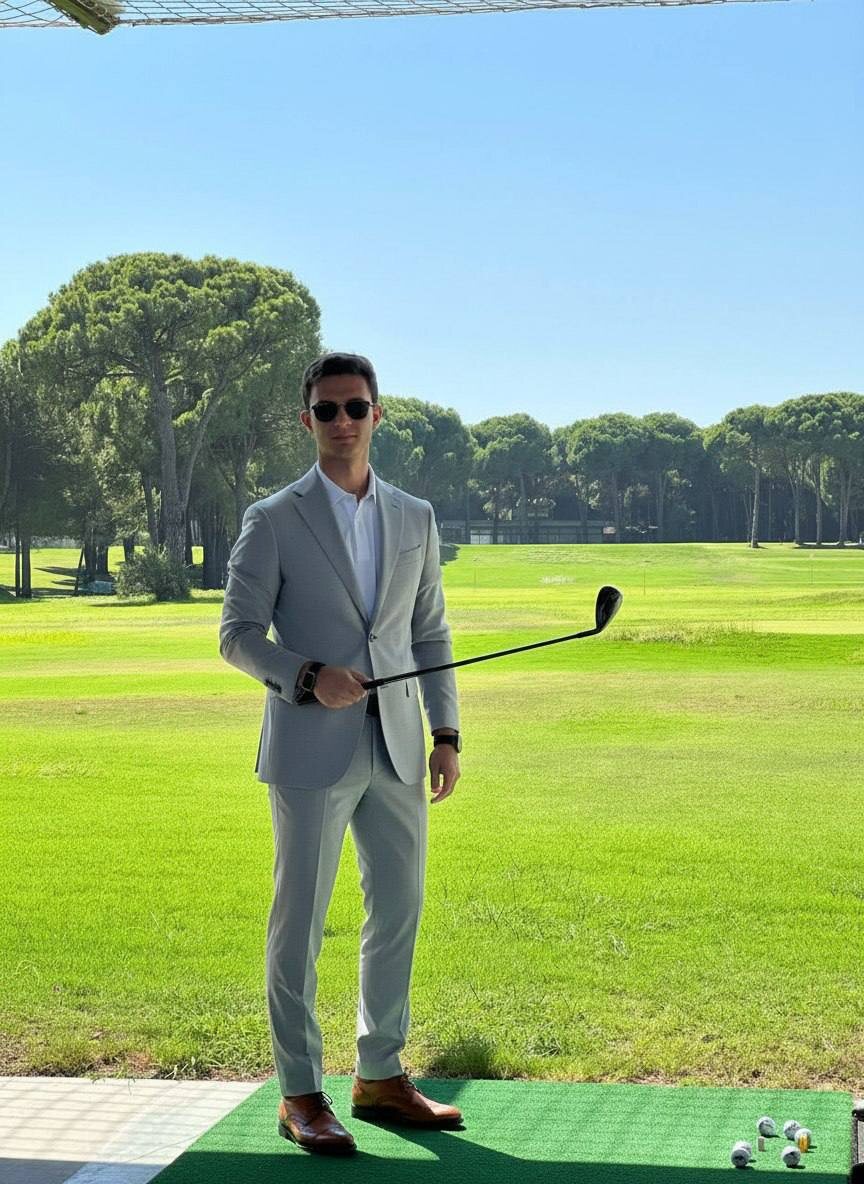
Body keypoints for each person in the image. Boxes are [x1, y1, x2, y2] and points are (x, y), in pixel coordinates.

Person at [219, 351, 463, 1156]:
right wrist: (308, 676)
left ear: (377, 415)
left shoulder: (416, 517)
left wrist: (446, 733)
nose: (342, 421)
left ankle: (380, 1076)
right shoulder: (272, 519)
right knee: (300, 922)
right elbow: (237, 636)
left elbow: (429, 632)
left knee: (399, 908)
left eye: (355, 406)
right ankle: (299, 1093)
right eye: (326, 409)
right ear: (307, 420)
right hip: (308, 747)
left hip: (397, 744)